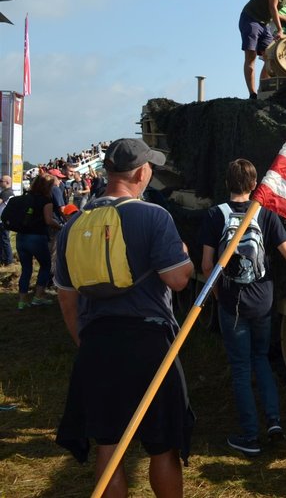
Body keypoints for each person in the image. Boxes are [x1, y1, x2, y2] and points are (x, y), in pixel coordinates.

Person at [54, 138, 195, 498]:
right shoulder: (153, 215)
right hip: (149, 343)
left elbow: (67, 302)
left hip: (98, 344)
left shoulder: (74, 224)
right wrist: (184, 254)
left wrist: (85, 343)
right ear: (141, 172)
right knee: (163, 445)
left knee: (109, 447)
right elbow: (178, 279)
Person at [198, 159, 286, 456]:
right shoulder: (264, 213)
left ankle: (249, 436)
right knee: (261, 359)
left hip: (233, 303)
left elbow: (206, 266)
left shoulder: (215, 215)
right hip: (263, 300)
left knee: (241, 368)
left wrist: (218, 295)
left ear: (227, 184)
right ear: (254, 185)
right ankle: (274, 423)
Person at [14, 174, 62, 309]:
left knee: (26, 269)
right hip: (37, 237)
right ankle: (38, 296)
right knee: (46, 266)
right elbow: (48, 220)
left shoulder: (25, 197)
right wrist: (62, 227)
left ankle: (22, 300)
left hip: (21, 237)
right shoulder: (45, 200)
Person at [0, 174, 14, 267]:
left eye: (1, 181)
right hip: (5, 220)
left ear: (7, 182)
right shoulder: (9, 192)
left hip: (2, 220)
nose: (0, 183)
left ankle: (8, 260)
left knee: (4, 240)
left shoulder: (6, 193)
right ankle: (4, 259)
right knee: (3, 240)